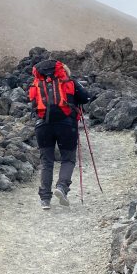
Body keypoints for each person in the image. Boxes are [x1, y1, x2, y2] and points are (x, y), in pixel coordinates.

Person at [28, 59, 91, 209]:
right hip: (66, 125)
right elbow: (86, 97)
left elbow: (32, 103)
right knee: (68, 159)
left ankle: (45, 199)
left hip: (42, 126)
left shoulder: (37, 84)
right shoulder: (70, 82)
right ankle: (62, 187)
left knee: (47, 162)